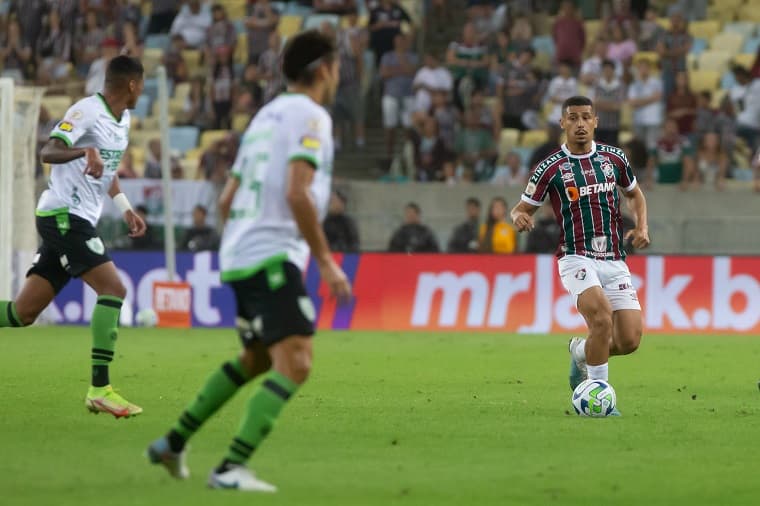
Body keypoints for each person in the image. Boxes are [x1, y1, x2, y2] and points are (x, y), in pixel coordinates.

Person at [147, 29, 351, 492]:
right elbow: (297, 192)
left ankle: (172, 443)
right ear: (323, 69)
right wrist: (325, 261)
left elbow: (226, 199)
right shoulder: (311, 116)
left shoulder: (264, 116)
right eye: (336, 65)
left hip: (239, 252)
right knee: (296, 361)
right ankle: (229, 469)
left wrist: (241, 240)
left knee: (256, 358)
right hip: (270, 254)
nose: (339, 74)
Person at [0, 55, 147, 417]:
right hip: (63, 214)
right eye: (141, 85)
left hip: (77, 217)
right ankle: (100, 388)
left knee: (23, 313)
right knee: (114, 289)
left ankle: (100, 389)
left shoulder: (123, 120)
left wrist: (125, 205)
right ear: (131, 84)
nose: (142, 91)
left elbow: (107, 169)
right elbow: (48, 150)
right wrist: (84, 149)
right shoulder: (87, 111)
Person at [510, 95, 650, 414]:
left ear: (596, 121)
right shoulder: (550, 167)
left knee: (629, 340)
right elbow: (520, 209)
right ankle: (600, 399)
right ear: (562, 123)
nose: (580, 124)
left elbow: (635, 195)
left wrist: (642, 227)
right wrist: (519, 217)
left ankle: (580, 353)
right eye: (573, 118)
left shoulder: (614, 158)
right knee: (601, 318)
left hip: (614, 258)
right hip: (576, 256)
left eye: (586, 117)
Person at [647, 118, 695, 188]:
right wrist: (649, 179)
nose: (671, 130)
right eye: (669, 127)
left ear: (677, 129)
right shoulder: (656, 143)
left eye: (673, 127)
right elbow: (650, 163)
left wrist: (685, 180)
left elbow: (689, 163)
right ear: (663, 129)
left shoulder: (684, 142)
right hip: (661, 179)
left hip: (678, 179)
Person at [594, 59, 625, 145]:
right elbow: (594, 103)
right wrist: (611, 104)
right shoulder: (597, 84)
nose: (607, 72)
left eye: (609, 69)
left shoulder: (620, 85)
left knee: (612, 152)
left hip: (613, 126)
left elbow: (618, 106)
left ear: (613, 70)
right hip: (599, 125)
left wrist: (601, 104)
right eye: (605, 69)